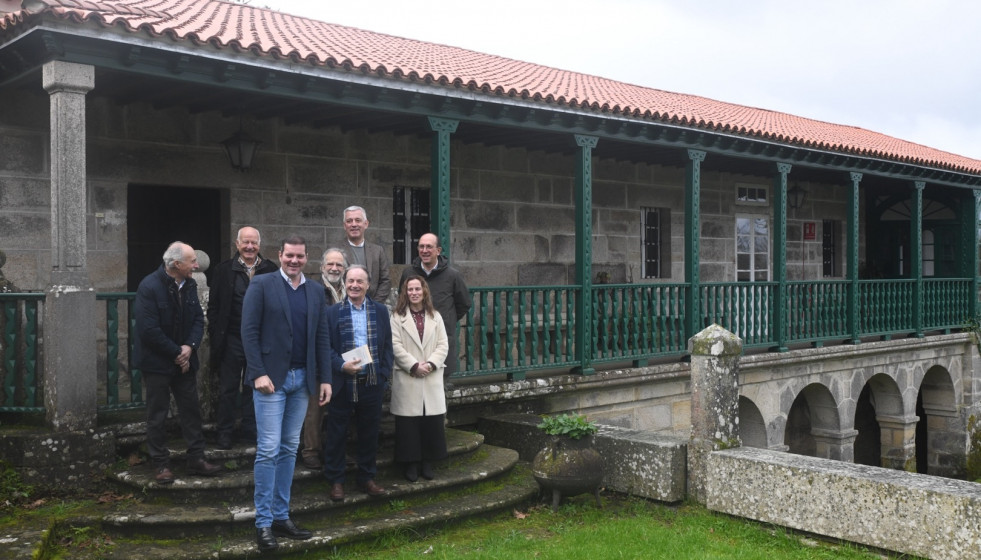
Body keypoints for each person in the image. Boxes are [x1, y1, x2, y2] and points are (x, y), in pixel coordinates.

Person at [241, 235, 333, 552]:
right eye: (289, 255)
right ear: (279, 255)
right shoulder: (262, 285)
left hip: (302, 380)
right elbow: (248, 332)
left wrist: (324, 378)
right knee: (268, 449)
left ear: (307, 258)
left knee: (289, 447)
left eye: (300, 256)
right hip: (271, 381)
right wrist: (258, 373)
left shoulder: (315, 291)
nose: (294, 261)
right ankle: (263, 523)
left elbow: (321, 338)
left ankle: (281, 516)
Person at [134, 241, 222, 485]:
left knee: (191, 411)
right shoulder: (149, 286)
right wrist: (177, 352)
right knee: (157, 414)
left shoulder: (190, 284)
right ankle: (161, 464)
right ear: (175, 264)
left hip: (183, 360)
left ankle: (196, 459)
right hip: (157, 362)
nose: (196, 264)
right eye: (191, 261)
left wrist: (189, 348)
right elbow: (148, 329)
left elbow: (197, 320)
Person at [323, 264, 393, 501]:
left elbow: (387, 346)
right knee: (336, 433)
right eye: (350, 281)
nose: (354, 285)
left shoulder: (381, 311)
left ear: (368, 285)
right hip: (342, 382)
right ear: (345, 283)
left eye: (359, 281)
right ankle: (336, 481)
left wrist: (383, 374)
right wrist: (340, 365)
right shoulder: (332, 312)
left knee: (369, 433)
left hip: (371, 382)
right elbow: (327, 348)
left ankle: (367, 478)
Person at [207, 226, 277, 449]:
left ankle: (251, 430)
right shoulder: (223, 270)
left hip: (260, 340)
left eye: (254, 242)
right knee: (228, 388)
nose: (249, 247)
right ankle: (225, 433)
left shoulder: (270, 269)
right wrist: (216, 334)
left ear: (259, 245)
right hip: (232, 339)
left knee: (254, 388)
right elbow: (214, 307)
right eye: (245, 242)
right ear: (237, 245)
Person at [390, 276, 449, 482]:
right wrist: (414, 365)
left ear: (424, 292)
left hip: (431, 376)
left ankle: (427, 462)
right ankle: (411, 464)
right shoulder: (397, 317)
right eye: (410, 289)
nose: (414, 293)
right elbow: (395, 345)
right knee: (409, 424)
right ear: (405, 293)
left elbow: (443, 345)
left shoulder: (436, 316)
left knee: (431, 422)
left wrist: (430, 364)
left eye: (417, 289)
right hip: (408, 376)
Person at [398, 233, 471, 387]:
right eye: (421, 246)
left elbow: (464, 303)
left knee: (438, 395)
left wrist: (447, 319)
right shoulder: (408, 273)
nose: (424, 250)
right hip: (413, 343)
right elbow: (402, 301)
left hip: (440, 342)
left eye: (429, 247)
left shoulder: (453, 275)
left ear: (438, 250)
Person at [298, 248, 347, 470]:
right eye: (330, 264)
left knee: (339, 410)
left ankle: (336, 451)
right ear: (321, 267)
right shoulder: (313, 290)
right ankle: (310, 451)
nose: (334, 268)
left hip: (345, 358)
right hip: (319, 356)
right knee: (315, 409)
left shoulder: (351, 289)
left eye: (339, 265)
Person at [337, 206, 391, 304]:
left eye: (358, 220)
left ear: (366, 224)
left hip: (372, 307)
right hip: (344, 307)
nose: (354, 224)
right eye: (349, 221)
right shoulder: (336, 251)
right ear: (345, 225)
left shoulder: (377, 251)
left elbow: (385, 281)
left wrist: (373, 304)